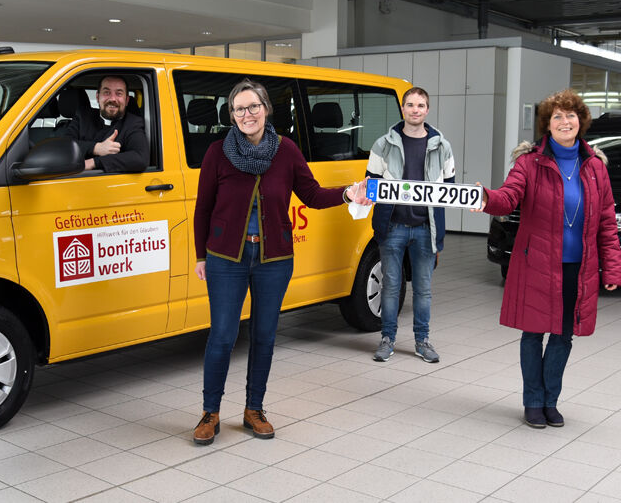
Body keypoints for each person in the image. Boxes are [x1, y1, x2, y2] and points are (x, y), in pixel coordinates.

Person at [191, 78, 369, 445]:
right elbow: (203, 208)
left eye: (253, 106)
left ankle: (254, 409)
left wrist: (348, 193)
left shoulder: (285, 150)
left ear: (266, 108)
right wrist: (199, 255)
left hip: (274, 259)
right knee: (222, 336)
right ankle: (210, 412)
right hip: (226, 258)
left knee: (264, 335)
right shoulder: (217, 152)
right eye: (239, 109)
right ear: (232, 114)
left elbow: (313, 195)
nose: (247, 114)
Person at [473, 89, 621, 429]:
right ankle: (532, 402)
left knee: (563, 336)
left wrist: (612, 266)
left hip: (577, 268)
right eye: (557, 116)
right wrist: (484, 198)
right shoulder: (529, 163)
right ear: (547, 125)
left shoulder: (596, 167)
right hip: (536, 264)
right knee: (532, 334)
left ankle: (550, 401)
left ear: (580, 121)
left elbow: (606, 220)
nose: (564, 121)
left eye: (570, 115)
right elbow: (508, 198)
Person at [366, 87, 454, 363]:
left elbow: (449, 188)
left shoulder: (442, 145)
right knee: (391, 286)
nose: (415, 110)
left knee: (423, 289)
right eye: (410, 105)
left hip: (426, 229)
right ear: (402, 109)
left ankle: (422, 341)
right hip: (393, 226)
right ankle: (387, 339)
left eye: (420, 105)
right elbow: (371, 185)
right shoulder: (383, 144)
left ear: (427, 110)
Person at [63, 75, 149, 173]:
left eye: (119, 93)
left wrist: (94, 162)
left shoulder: (133, 122)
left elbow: (140, 158)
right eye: (106, 92)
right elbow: (64, 147)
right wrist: (96, 148)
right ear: (97, 97)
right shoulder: (83, 117)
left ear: (127, 100)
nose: (112, 98)